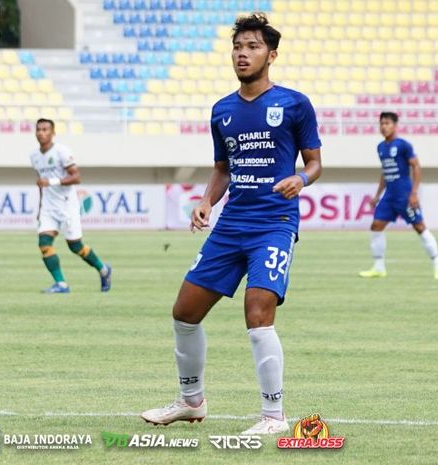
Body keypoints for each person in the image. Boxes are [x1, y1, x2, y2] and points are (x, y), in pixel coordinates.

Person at [140, 13, 322, 435]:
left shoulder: (294, 104)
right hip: (231, 223)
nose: (243, 53)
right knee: (184, 313)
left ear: (271, 55)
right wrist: (206, 200)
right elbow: (223, 167)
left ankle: (274, 417)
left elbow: (314, 163)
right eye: (238, 46)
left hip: (274, 222)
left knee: (257, 312)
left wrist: (302, 178)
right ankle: (191, 402)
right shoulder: (222, 110)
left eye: (253, 46)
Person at [359, 112, 438, 280]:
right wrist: (377, 195)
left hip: (404, 194)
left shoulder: (403, 145)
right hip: (389, 195)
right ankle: (379, 268)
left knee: (420, 227)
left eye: (387, 123)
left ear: (395, 125)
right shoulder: (381, 147)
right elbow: (385, 172)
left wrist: (414, 193)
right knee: (376, 225)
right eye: (382, 123)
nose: (384, 126)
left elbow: (417, 166)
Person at [29, 118, 112, 293]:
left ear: (52, 133)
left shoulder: (62, 152)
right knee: (44, 243)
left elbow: (76, 177)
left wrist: (51, 181)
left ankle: (103, 269)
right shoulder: (35, 156)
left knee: (76, 246)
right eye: (38, 129)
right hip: (48, 208)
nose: (41, 133)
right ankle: (61, 284)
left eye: (45, 129)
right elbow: (42, 185)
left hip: (67, 206)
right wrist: (39, 209)